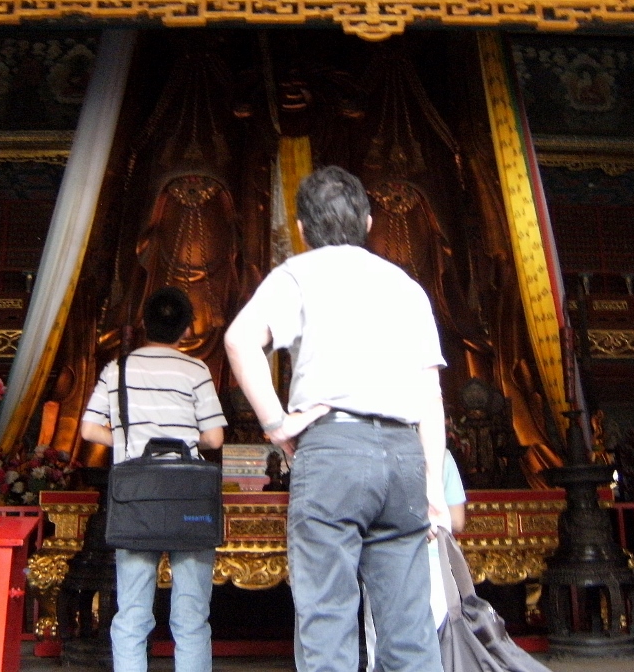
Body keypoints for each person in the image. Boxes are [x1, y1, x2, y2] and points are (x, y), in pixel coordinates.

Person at [224, 165, 450, 672]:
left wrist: (277, 424)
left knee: (328, 620)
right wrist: (434, 487)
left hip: (333, 450)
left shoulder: (298, 273)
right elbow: (430, 396)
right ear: (369, 223)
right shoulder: (405, 286)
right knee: (410, 627)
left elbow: (239, 340)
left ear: (302, 229)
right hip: (403, 454)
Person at [81, 286, 227, 672]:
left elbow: (88, 429)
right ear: (185, 329)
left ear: (145, 325)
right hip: (189, 498)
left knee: (131, 612)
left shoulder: (118, 369)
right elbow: (214, 438)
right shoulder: (196, 369)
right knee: (192, 614)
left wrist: (129, 440)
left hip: (136, 496)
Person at [363, 447, 467, 671]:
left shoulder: (372, 451)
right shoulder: (441, 455)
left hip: (383, 563)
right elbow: (457, 520)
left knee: (383, 647)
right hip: (433, 564)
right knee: (438, 641)